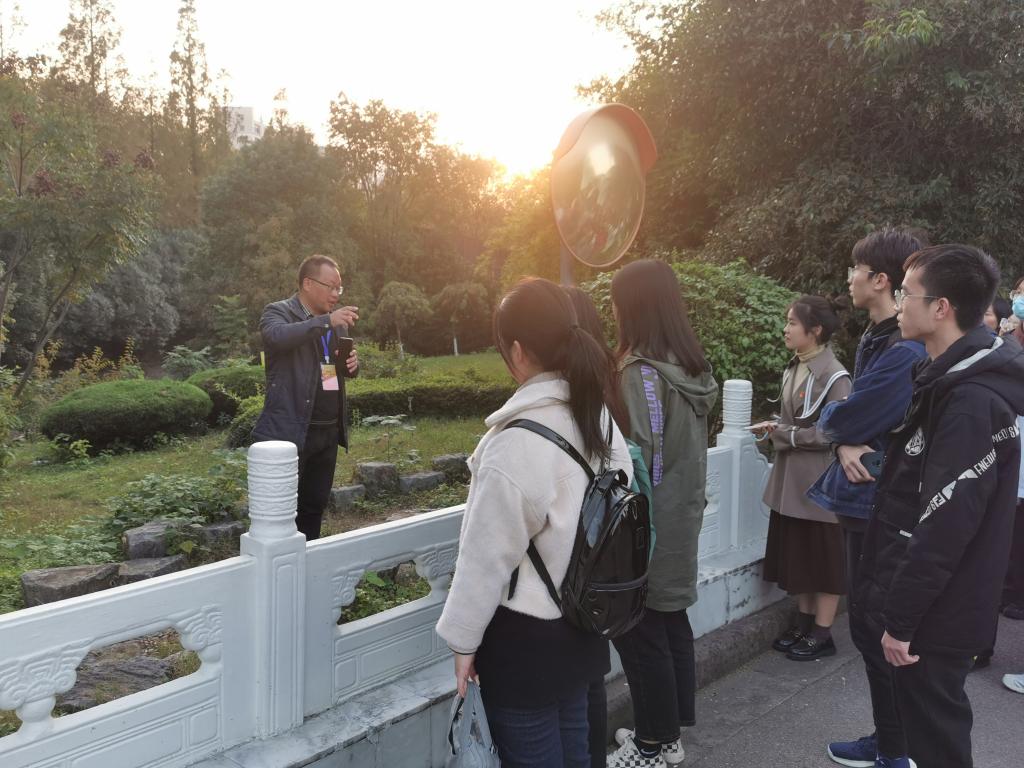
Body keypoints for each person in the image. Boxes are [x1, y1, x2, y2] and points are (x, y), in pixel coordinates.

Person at [436, 277, 633, 768]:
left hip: (525, 645)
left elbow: (485, 558)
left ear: (518, 351)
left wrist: (463, 642)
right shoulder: (597, 417)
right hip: (584, 624)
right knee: (576, 752)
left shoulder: (516, 442)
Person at [856, 244, 1024, 768]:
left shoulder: (971, 401)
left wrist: (901, 621)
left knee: (937, 740)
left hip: (939, 614)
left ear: (941, 308)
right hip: (937, 605)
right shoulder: (948, 380)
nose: (898, 304)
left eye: (907, 294)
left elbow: (944, 527)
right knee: (927, 732)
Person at [805, 230, 927, 768]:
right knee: (869, 625)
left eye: (855, 268)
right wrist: (844, 438)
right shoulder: (879, 339)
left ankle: (895, 751)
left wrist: (840, 431)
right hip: (865, 497)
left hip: (879, 502)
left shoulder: (903, 350)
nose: (848, 278)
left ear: (880, 280)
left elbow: (842, 415)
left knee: (875, 627)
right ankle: (890, 741)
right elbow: (849, 421)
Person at [605, 259, 719, 768]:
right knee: (670, 621)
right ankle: (668, 734)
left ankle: (651, 746)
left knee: (641, 633)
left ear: (633, 307)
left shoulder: (641, 373)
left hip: (648, 527)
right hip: (681, 515)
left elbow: (638, 459)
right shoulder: (689, 367)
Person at [757, 296, 851, 661]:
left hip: (820, 485)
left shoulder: (835, 376)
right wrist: (776, 428)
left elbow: (833, 432)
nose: (785, 329)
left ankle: (823, 634)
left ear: (815, 330)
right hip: (792, 481)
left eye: (792, 323)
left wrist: (785, 434)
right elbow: (792, 420)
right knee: (801, 558)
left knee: (824, 562)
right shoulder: (796, 366)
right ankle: (804, 623)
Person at [251, 255, 359, 540]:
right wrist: (326, 321)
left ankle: (307, 558)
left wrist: (350, 365)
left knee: (314, 507)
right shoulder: (278, 312)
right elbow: (277, 337)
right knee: (281, 512)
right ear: (308, 284)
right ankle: (279, 562)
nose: (336, 294)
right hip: (292, 430)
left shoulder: (335, 324)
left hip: (327, 431)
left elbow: (329, 371)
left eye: (339, 288)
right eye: (331, 287)